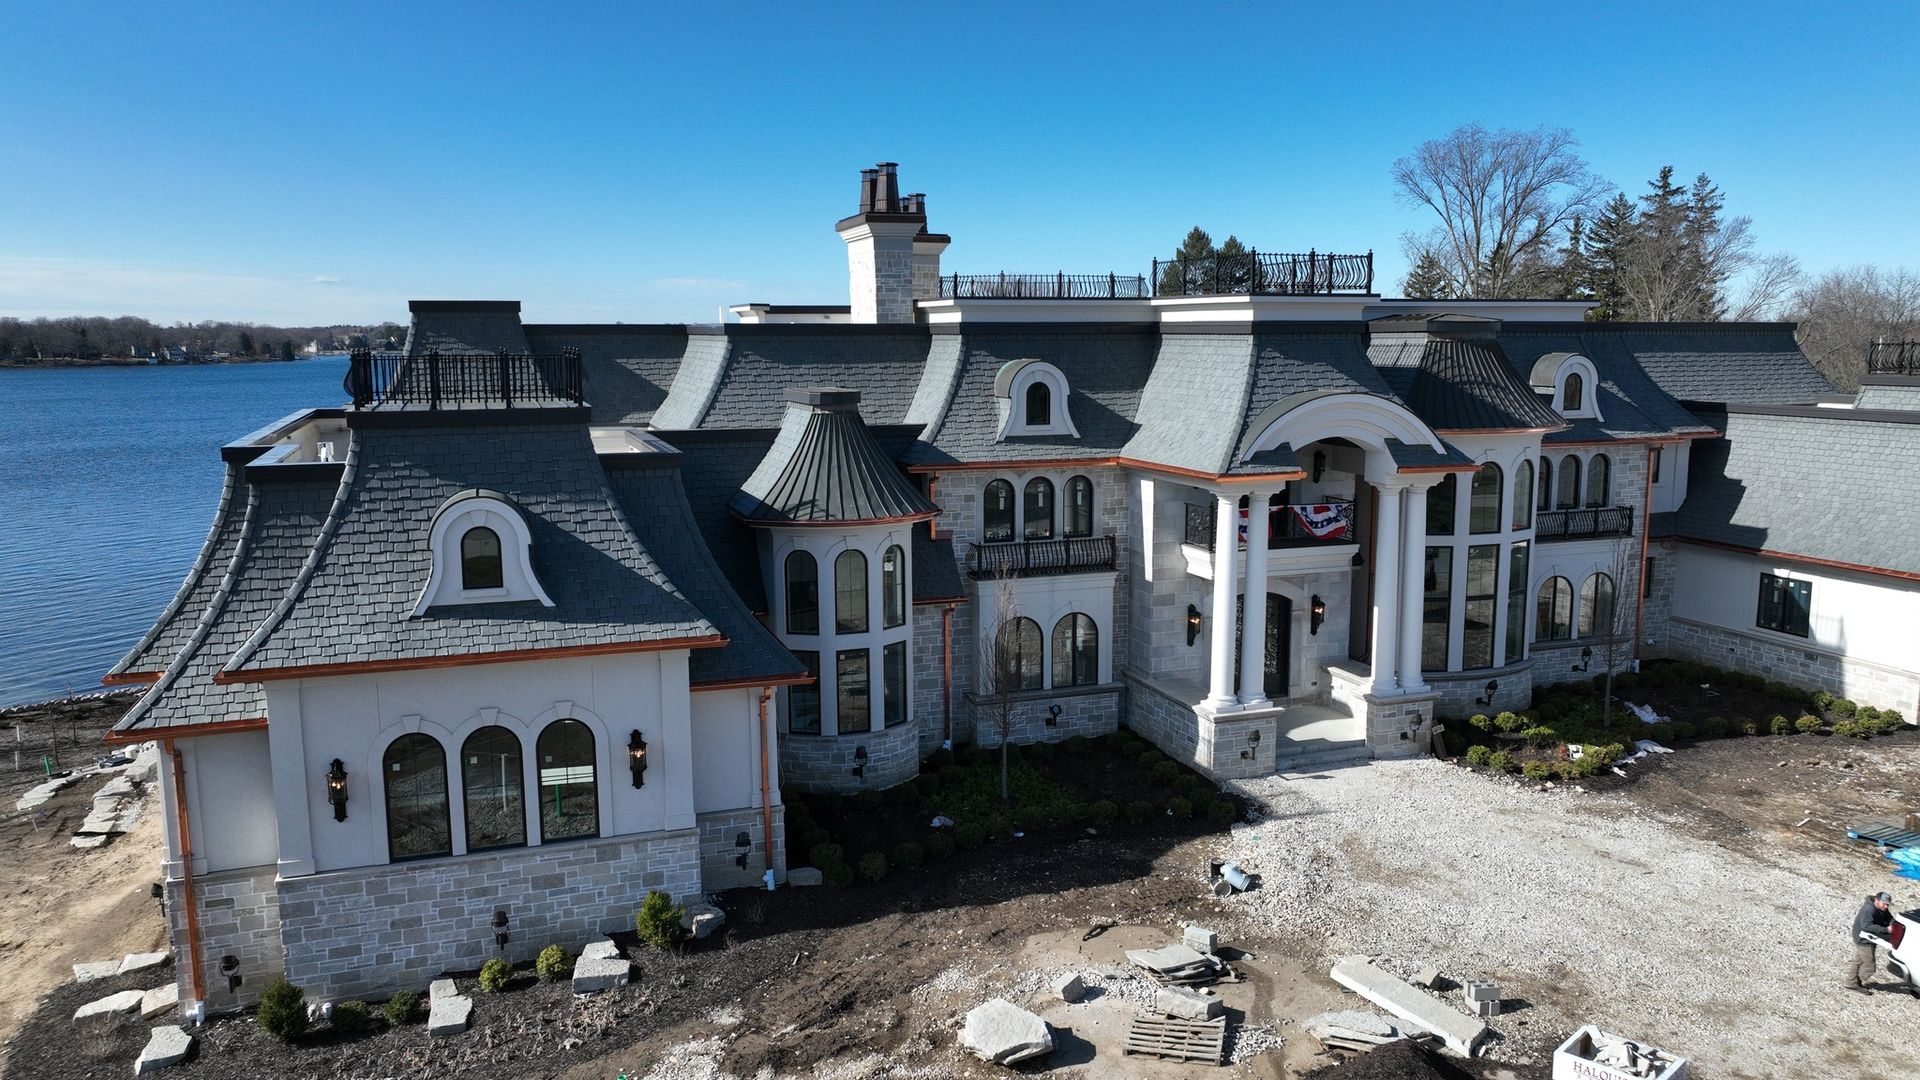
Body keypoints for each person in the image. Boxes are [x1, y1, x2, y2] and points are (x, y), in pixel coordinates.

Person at [1847, 891, 1895, 993]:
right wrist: (1886, 930)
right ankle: (1856, 982)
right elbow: (1867, 926)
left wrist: (1895, 924)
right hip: (1864, 939)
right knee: (1870, 967)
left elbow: (1889, 918)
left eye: (1888, 904)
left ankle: (1850, 983)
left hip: (1869, 937)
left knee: (1859, 961)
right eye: (1884, 904)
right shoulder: (1868, 910)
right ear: (1877, 900)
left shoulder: (1881, 908)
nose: (1886, 907)